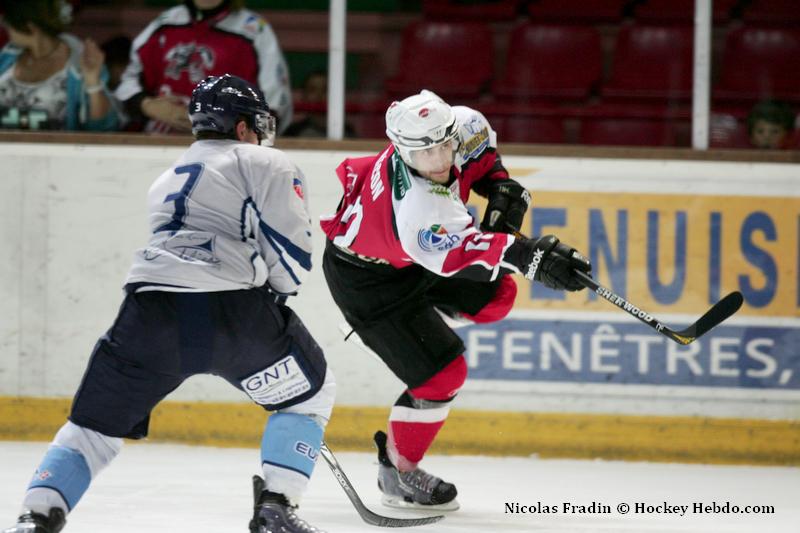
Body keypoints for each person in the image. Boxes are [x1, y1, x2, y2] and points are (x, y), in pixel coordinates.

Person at [3, 74, 333, 533]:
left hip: (149, 311)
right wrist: (277, 291)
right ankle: (276, 507)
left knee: (93, 428)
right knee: (309, 398)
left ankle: (35, 515)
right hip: (234, 314)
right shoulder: (265, 160)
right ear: (242, 127)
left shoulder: (168, 176)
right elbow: (292, 256)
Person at [320, 89, 591, 510]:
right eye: (426, 152)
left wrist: (498, 186)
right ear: (401, 149)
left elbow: (484, 162)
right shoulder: (417, 208)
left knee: (498, 296)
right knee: (443, 377)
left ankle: (420, 318)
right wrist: (530, 256)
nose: (441, 158)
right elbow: (463, 254)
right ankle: (399, 471)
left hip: (414, 260)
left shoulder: (462, 125)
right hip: (367, 280)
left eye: (445, 142)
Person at [115, 0, 292, 135]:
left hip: (227, 155)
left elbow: (275, 111)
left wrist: (226, 127)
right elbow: (126, 86)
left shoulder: (254, 30)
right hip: (157, 146)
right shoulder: (164, 24)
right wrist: (146, 105)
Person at [0, 0, 122, 131]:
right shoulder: (7, 56)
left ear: (31, 28)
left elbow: (104, 129)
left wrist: (93, 83)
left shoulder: (80, 61)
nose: (5, 28)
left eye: (8, 24)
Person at [283, 70, 355, 138]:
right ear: (304, 96)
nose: (319, 95)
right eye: (312, 90)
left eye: (325, 89)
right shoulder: (292, 132)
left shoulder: (347, 133)